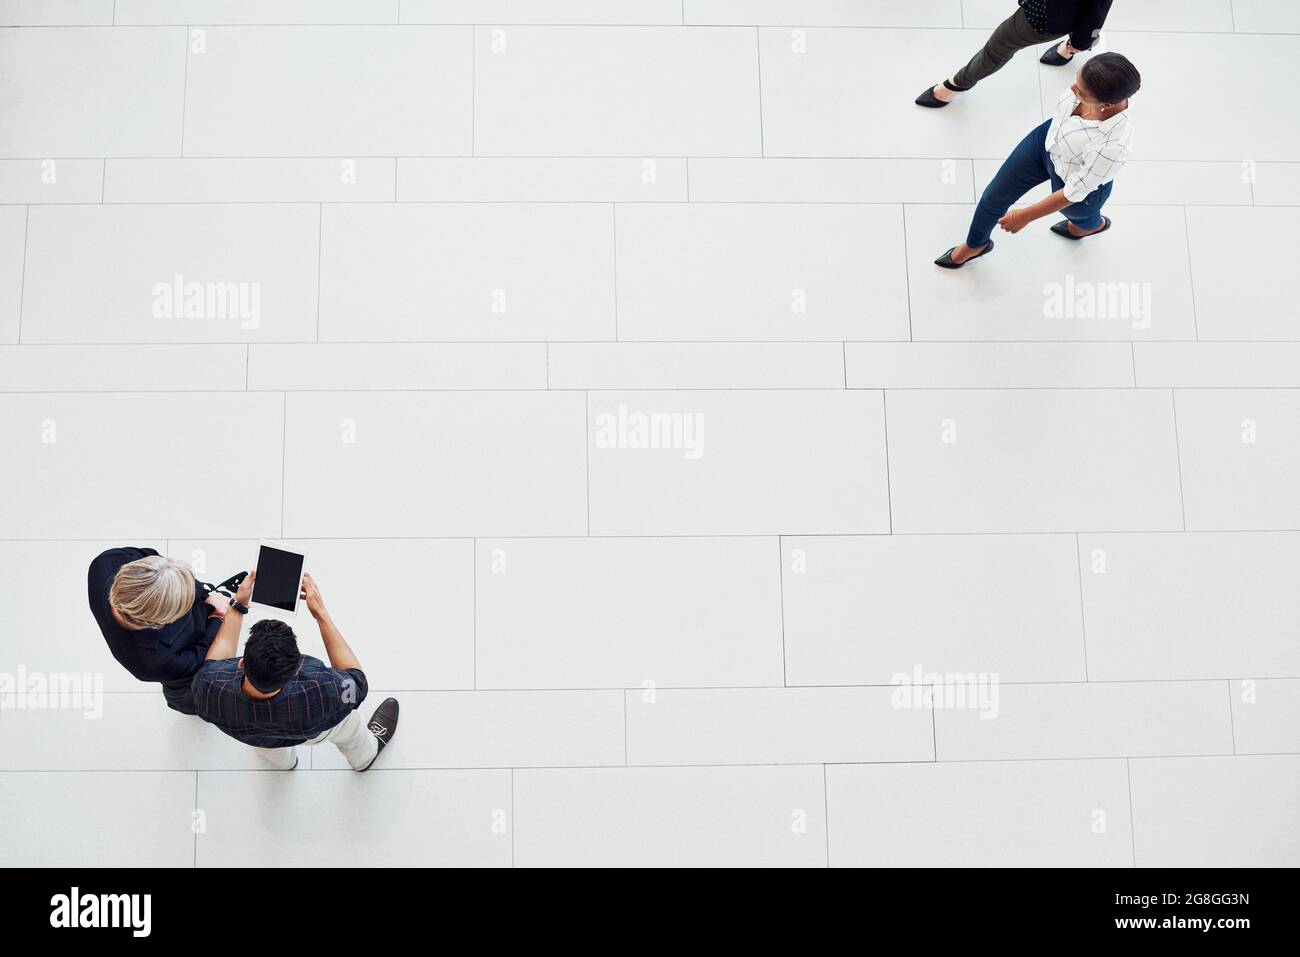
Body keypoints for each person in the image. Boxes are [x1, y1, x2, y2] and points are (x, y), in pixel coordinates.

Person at [934, 52, 1138, 269]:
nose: (1072, 90)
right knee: (994, 196)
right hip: (1047, 143)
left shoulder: (1114, 145)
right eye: (1076, 81)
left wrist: (1024, 216)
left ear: (1106, 104)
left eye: (1081, 91)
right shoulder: (1085, 87)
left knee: (1080, 217)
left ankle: (1091, 226)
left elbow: (1072, 193)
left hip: (1076, 184)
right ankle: (975, 244)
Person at [191, 571, 398, 771]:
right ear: (295, 671)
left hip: (255, 735)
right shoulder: (323, 687)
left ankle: (285, 764)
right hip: (311, 731)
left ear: (242, 663)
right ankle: (364, 758)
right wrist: (320, 614)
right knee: (350, 728)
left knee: (271, 749)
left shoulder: (208, 688)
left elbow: (218, 656)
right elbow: (357, 682)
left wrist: (238, 605)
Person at [88, 547, 230, 714]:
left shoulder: (105, 562)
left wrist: (206, 594)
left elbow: (150, 556)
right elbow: (197, 659)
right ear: (161, 622)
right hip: (184, 679)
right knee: (191, 698)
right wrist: (218, 618)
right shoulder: (151, 662)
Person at [916, 1, 1114, 108]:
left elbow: (1098, 8)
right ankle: (1067, 50)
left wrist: (1080, 42)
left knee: (998, 47)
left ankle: (956, 85)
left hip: (1043, 15)